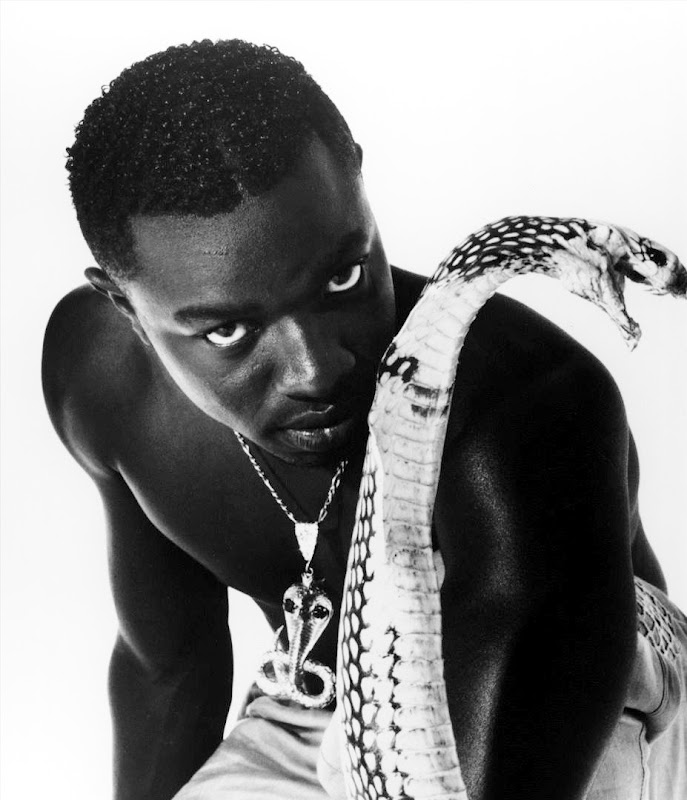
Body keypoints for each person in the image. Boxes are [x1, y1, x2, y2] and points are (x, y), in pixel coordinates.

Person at [42, 39, 686, 800]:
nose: (318, 369)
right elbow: (169, 669)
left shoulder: (525, 408)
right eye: (229, 331)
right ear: (125, 307)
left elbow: (516, 736)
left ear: (356, 175)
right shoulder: (104, 379)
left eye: (342, 278)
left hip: (586, 691)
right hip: (321, 702)